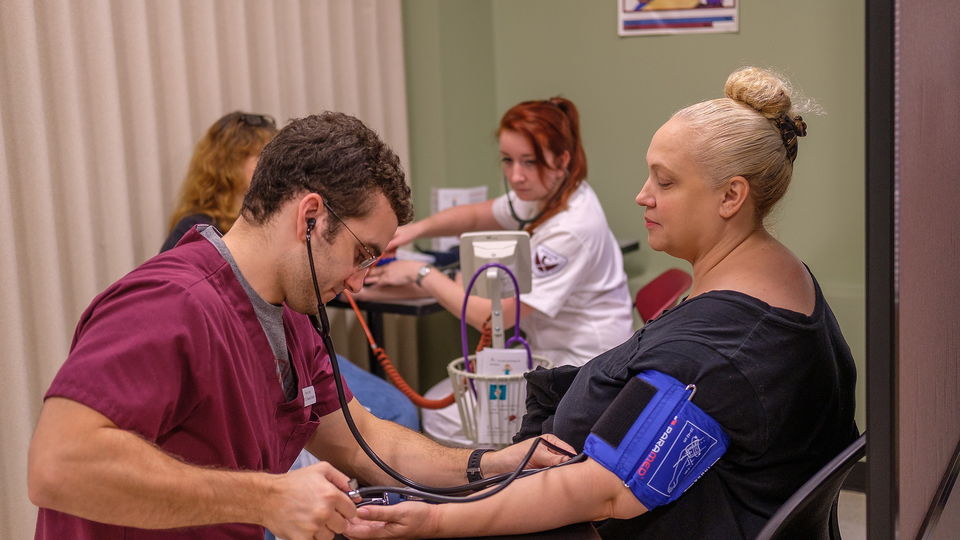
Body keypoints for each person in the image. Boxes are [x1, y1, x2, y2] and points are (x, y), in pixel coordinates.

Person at [343, 67, 859, 539]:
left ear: (731, 197)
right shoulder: (780, 274)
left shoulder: (714, 351)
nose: (642, 195)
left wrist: (435, 518)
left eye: (665, 181)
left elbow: (605, 491)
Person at [27, 112, 571, 540]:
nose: (360, 282)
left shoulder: (291, 320)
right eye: (362, 254)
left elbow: (366, 443)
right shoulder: (171, 302)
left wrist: (495, 462)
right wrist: (266, 498)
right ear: (310, 217)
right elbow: (58, 466)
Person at [368, 97, 633, 369]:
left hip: (584, 363)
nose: (516, 176)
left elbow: (492, 320)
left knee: (439, 409)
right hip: (552, 350)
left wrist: (420, 273)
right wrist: (414, 230)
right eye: (508, 160)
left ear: (562, 159)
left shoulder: (572, 228)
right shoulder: (547, 193)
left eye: (529, 162)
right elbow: (475, 216)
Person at [160, 110, 278, 253]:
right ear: (229, 164)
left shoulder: (270, 221)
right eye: (262, 156)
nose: (273, 165)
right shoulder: (195, 230)